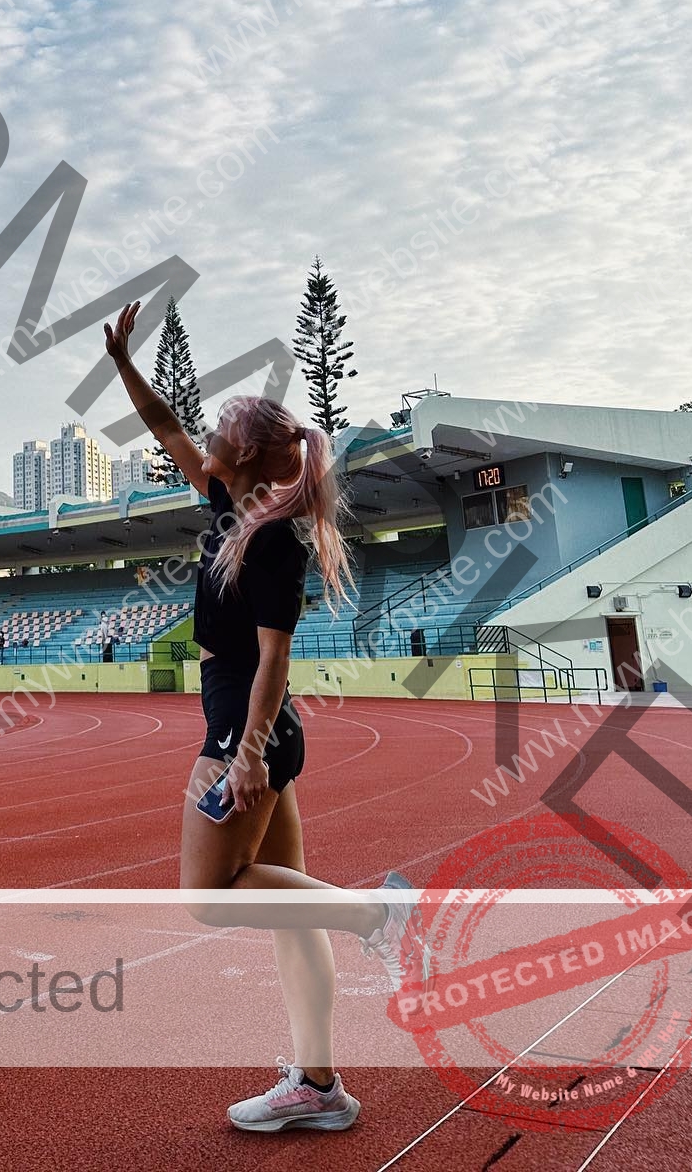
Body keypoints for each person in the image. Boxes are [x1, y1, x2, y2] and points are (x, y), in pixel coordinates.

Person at [104, 300, 426, 1134]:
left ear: (242, 455)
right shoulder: (225, 503)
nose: (201, 435)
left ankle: (376, 915)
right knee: (291, 911)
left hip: (246, 730)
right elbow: (163, 426)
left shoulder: (276, 539)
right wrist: (125, 364)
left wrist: (243, 754)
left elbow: (275, 663)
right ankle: (318, 1087)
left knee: (209, 898)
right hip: (257, 733)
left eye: (216, 430)